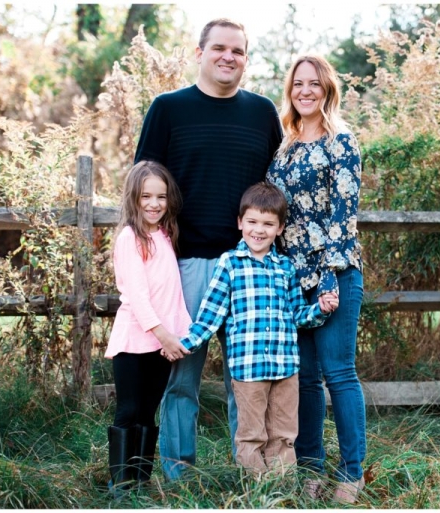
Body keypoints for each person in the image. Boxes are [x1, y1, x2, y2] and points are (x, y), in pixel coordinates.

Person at [133, 18, 283, 480]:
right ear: (199, 52)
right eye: (219, 48)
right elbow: (143, 189)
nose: (228, 57)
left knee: (249, 381)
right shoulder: (168, 109)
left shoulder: (262, 114)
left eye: (237, 51)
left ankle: (251, 472)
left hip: (251, 267)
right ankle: (179, 476)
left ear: (245, 58)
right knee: (181, 376)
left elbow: (276, 191)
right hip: (186, 265)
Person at [172, 182, 338, 477]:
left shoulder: (285, 267)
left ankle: (281, 493)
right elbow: (211, 314)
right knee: (251, 436)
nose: (258, 230)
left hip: (285, 367)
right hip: (248, 370)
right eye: (252, 222)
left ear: (280, 228)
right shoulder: (230, 264)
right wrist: (185, 343)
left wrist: (320, 310)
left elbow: (297, 314)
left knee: (284, 435)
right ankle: (257, 495)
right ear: (240, 223)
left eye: (267, 223)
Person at [266, 54, 366, 504]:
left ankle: (351, 471)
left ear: (327, 89)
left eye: (314, 84)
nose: (305, 91)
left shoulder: (341, 141)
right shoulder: (284, 146)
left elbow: (344, 218)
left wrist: (328, 276)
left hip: (335, 274)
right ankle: (310, 469)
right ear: (290, 90)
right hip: (292, 278)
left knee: (339, 373)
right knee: (303, 379)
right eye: (298, 84)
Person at [104, 161, 191, 493]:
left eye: (161, 197)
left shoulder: (166, 235)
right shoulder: (130, 237)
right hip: (134, 341)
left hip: (161, 345)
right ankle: (120, 483)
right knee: (129, 409)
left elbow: (171, 294)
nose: (154, 204)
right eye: (146, 197)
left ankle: (140, 480)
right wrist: (164, 335)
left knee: (149, 412)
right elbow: (137, 296)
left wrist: (178, 335)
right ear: (133, 198)